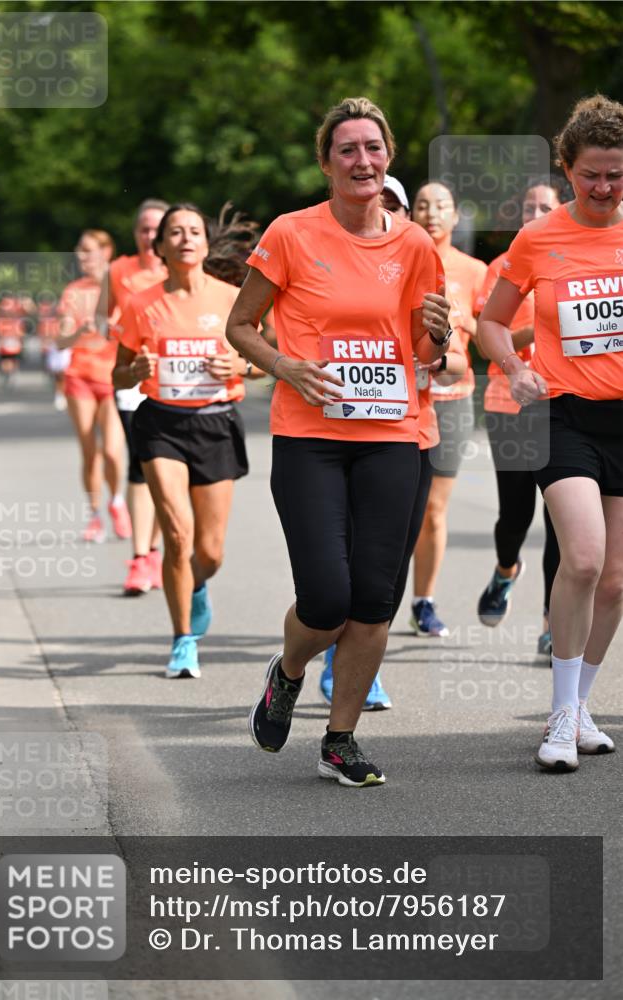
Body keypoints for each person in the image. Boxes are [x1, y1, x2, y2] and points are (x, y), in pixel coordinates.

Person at [226, 97, 451, 787]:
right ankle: (288, 670)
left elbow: (422, 354)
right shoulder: (291, 234)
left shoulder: (413, 244)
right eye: (347, 149)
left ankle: (340, 739)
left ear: (388, 159)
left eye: (372, 148)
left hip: (393, 433)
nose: (362, 160)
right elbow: (240, 326)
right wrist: (286, 366)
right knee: (326, 597)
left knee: (373, 599)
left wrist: (439, 338)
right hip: (311, 435)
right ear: (326, 163)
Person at [478, 94, 623, 772]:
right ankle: (558, 720)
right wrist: (514, 367)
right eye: (591, 174)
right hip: (561, 414)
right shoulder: (539, 238)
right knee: (585, 559)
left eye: (616, 174)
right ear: (567, 171)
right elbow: (490, 321)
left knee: (617, 580)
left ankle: (581, 702)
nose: (603, 187)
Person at [113, 202, 264, 678]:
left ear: (204, 242)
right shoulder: (141, 303)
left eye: (193, 230)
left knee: (210, 551)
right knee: (177, 535)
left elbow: (265, 360)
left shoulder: (231, 298)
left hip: (216, 424)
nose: (185, 238)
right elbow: (117, 374)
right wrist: (134, 371)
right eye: (173, 232)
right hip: (161, 424)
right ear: (159, 247)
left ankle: (196, 586)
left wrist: (241, 366)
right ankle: (182, 641)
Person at [319, 333, 468, 710]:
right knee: (345, 556)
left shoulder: (423, 296)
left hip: (411, 439)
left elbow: (460, 365)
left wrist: (439, 362)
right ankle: (339, 656)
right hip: (340, 438)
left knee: (391, 564)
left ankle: (362, 659)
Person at [474, 182, 563, 655]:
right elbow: (489, 332)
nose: (535, 212)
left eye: (545, 206)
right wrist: (548, 323)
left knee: (560, 522)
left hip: (561, 406)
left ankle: (552, 622)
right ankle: (506, 569)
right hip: (508, 405)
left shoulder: (571, 259)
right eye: (528, 206)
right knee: (515, 515)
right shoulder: (501, 268)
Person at [409, 182, 487, 637]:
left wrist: (460, 321)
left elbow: (490, 328)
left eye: (441, 206)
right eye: (423, 205)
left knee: (434, 510)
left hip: (453, 401)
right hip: (402, 399)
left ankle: (424, 600)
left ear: (456, 217)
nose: (431, 213)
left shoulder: (474, 270)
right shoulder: (399, 260)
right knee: (402, 510)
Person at [103, 198, 169, 595]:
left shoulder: (183, 268)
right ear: (135, 234)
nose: (149, 236)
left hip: (177, 385)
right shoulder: (119, 271)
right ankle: (140, 556)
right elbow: (109, 317)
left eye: (156, 229)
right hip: (134, 383)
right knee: (140, 464)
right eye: (143, 229)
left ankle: (156, 549)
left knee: (164, 469)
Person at [56, 229, 131, 543]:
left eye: (87, 250)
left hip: (112, 376)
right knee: (90, 452)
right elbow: (60, 340)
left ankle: (117, 502)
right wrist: (79, 331)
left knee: (113, 452)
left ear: (106, 252)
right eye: (79, 250)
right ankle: (94, 515)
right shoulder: (73, 291)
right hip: (80, 377)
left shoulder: (121, 287)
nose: (81, 256)